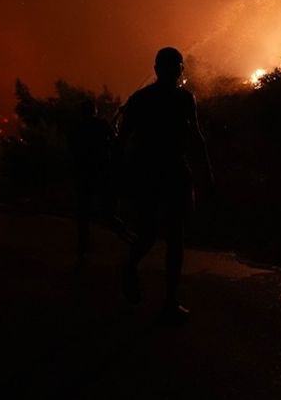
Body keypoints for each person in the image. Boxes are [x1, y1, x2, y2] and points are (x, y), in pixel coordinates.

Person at [116, 47, 213, 322]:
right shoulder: (182, 99)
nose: (177, 72)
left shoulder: (142, 98)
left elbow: (122, 140)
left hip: (150, 172)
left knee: (157, 234)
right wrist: (207, 175)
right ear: (177, 70)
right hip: (168, 171)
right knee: (172, 238)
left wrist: (120, 177)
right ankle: (168, 301)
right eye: (176, 67)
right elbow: (196, 138)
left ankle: (142, 277)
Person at [67, 99, 113, 261]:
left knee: (83, 208)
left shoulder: (76, 127)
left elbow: (72, 148)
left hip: (82, 172)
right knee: (106, 205)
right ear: (94, 111)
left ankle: (83, 242)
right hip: (99, 171)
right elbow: (113, 141)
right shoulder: (102, 124)